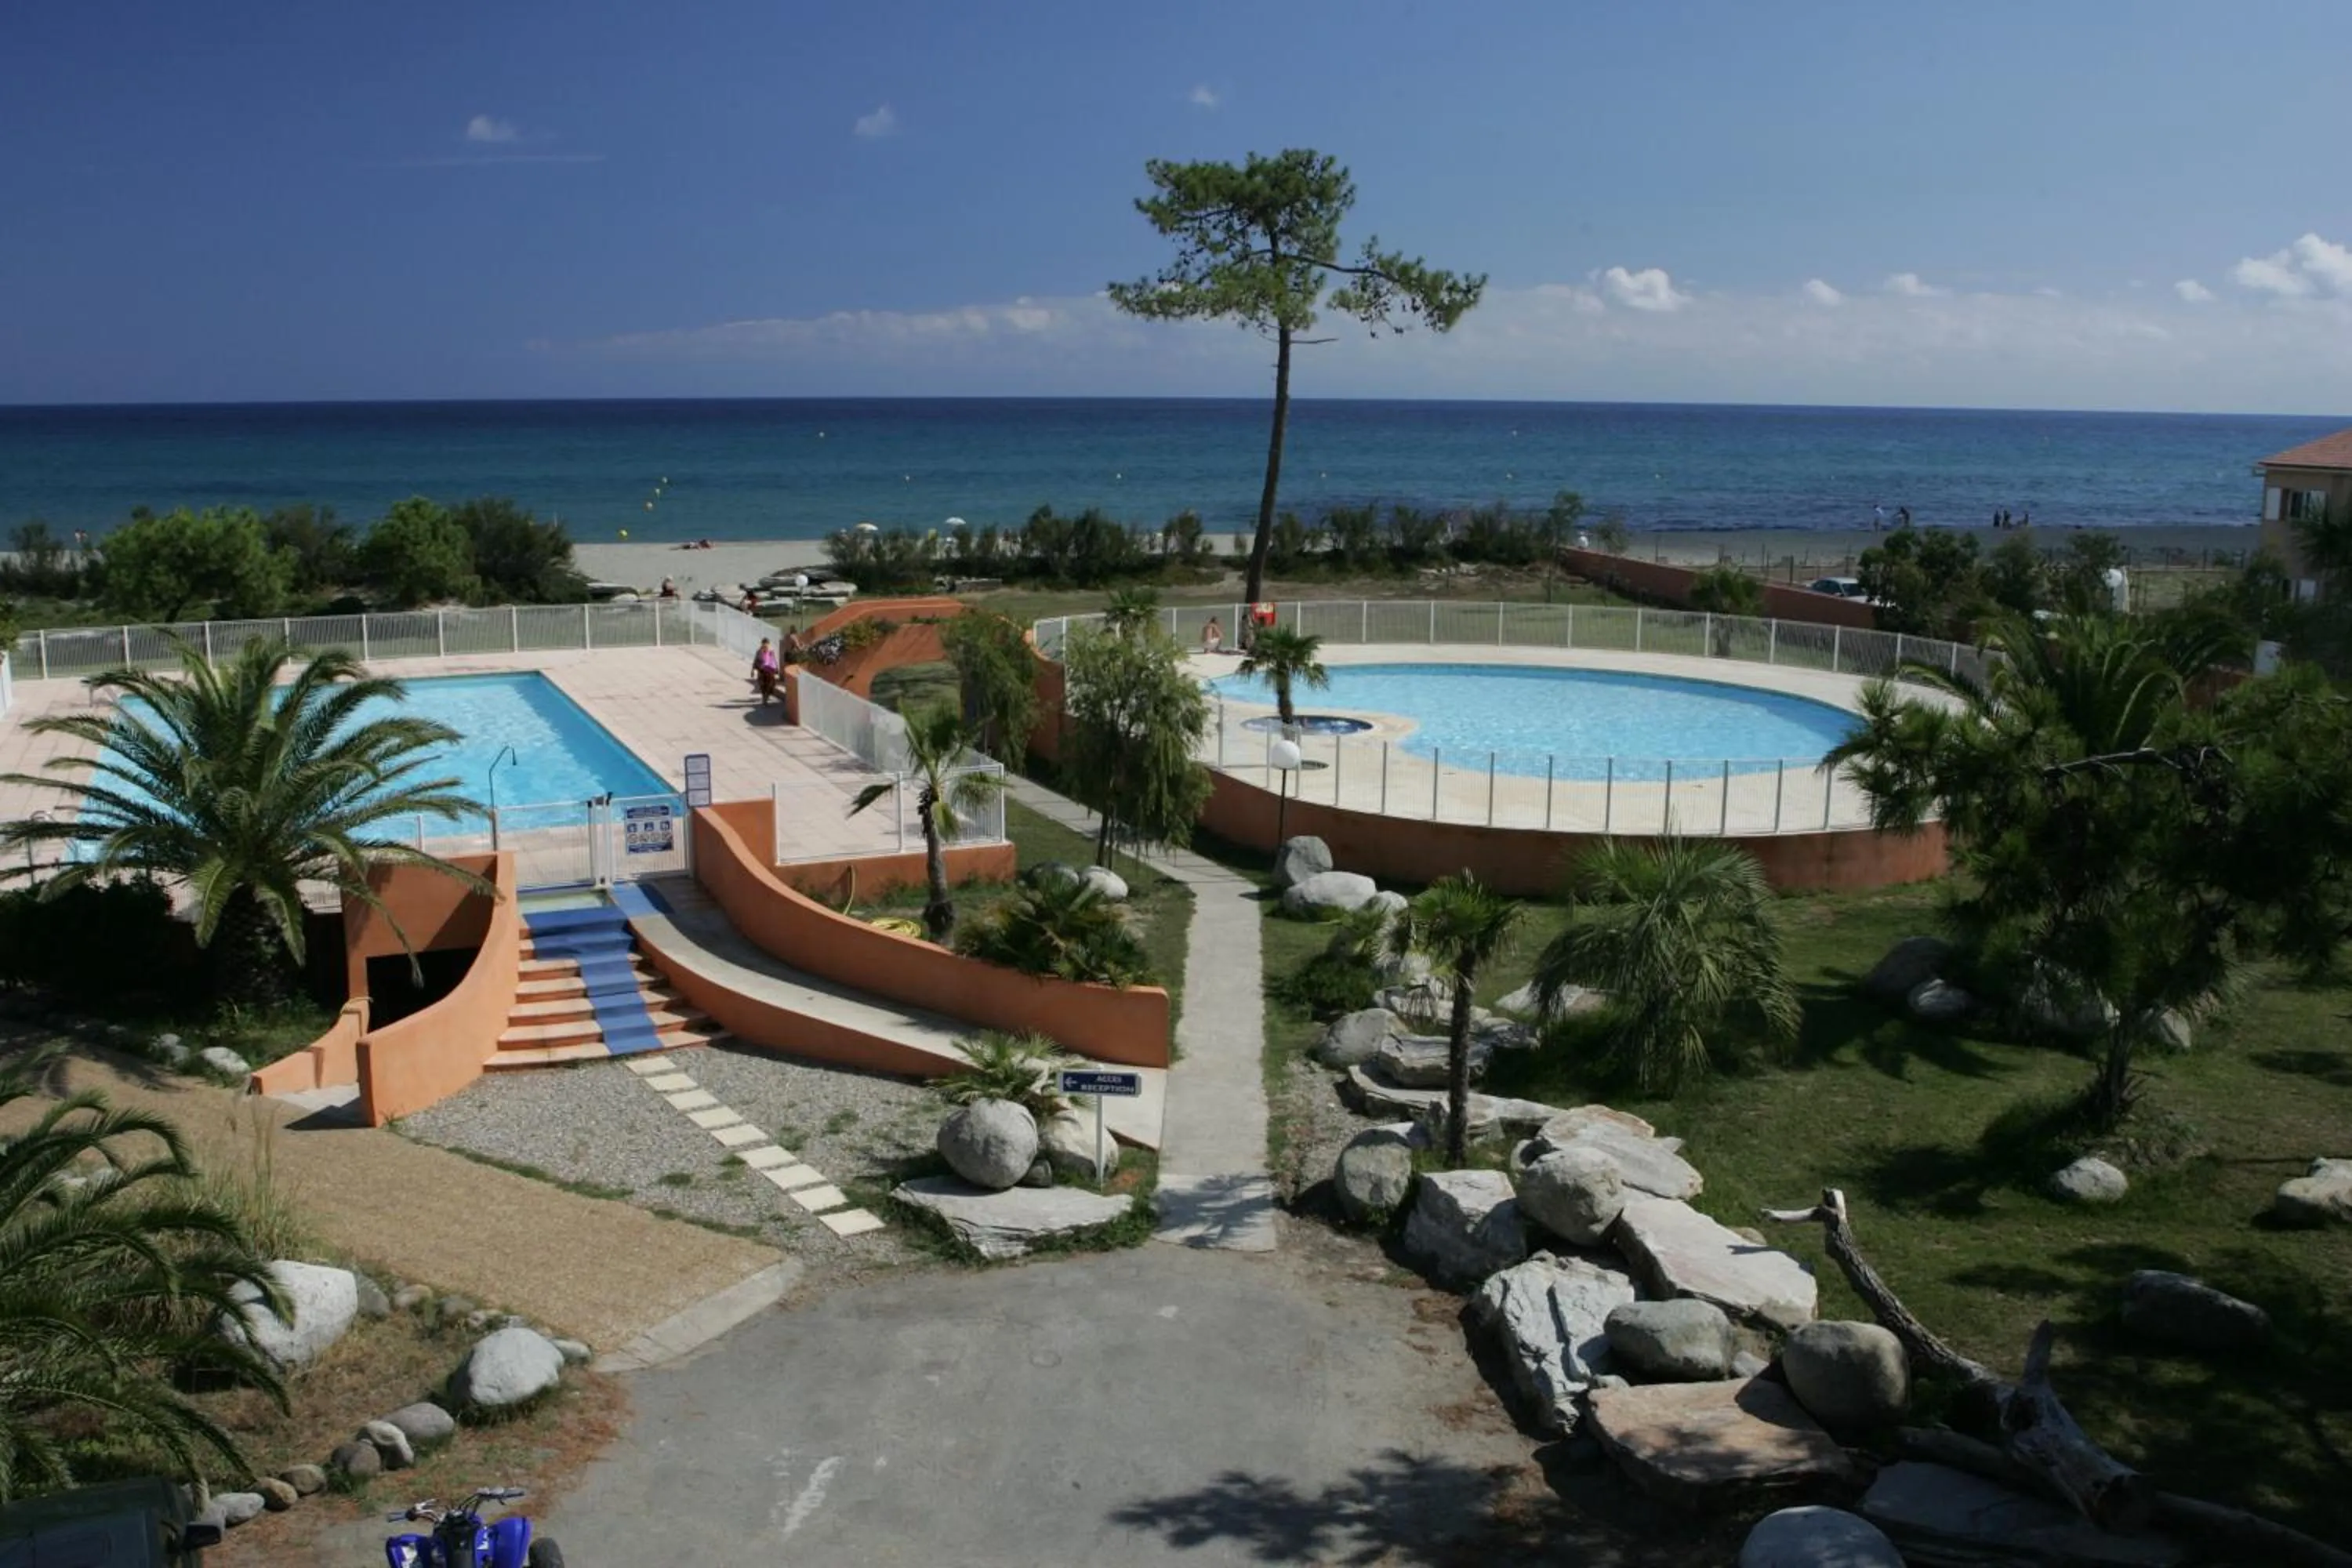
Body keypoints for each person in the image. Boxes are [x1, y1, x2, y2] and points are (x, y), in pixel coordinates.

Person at [752, 637, 781, 706]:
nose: (765, 646)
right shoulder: (759, 651)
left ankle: (766, 699)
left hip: (770, 672)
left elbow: (774, 659)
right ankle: (764, 699)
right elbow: (755, 660)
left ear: (768, 644)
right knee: (763, 686)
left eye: (766, 644)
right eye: (764, 644)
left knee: (770, 685)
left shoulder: (771, 651)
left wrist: (777, 668)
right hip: (761, 671)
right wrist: (753, 670)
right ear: (762, 644)